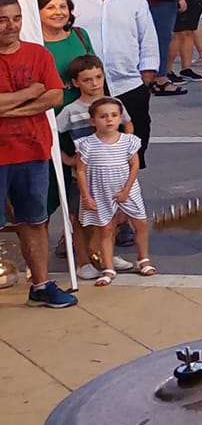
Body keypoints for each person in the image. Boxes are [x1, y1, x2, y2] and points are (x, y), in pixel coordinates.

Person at [0, 0, 71, 306]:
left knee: (35, 220)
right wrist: (30, 93)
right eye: (2, 20)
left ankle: (40, 284)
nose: (11, 26)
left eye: (16, 18)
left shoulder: (38, 54)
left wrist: (8, 108)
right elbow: (42, 92)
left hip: (33, 150)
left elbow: (55, 96)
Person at [64, 0, 159, 164]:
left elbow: (147, 37)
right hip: (83, 89)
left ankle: (127, 195)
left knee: (132, 153)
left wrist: (146, 75)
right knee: (87, 159)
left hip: (128, 86)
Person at [73, 96, 146, 284]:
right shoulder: (86, 144)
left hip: (126, 189)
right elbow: (80, 170)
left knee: (140, 222)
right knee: (106, 228)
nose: (110, 119)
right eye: (103, 116)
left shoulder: (128, 141)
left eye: (114, 115)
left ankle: (143, 259)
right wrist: (86, 196)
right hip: (100, 191)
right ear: (93, 121)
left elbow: (134, 166)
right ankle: (108, 268)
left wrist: (126, 190)